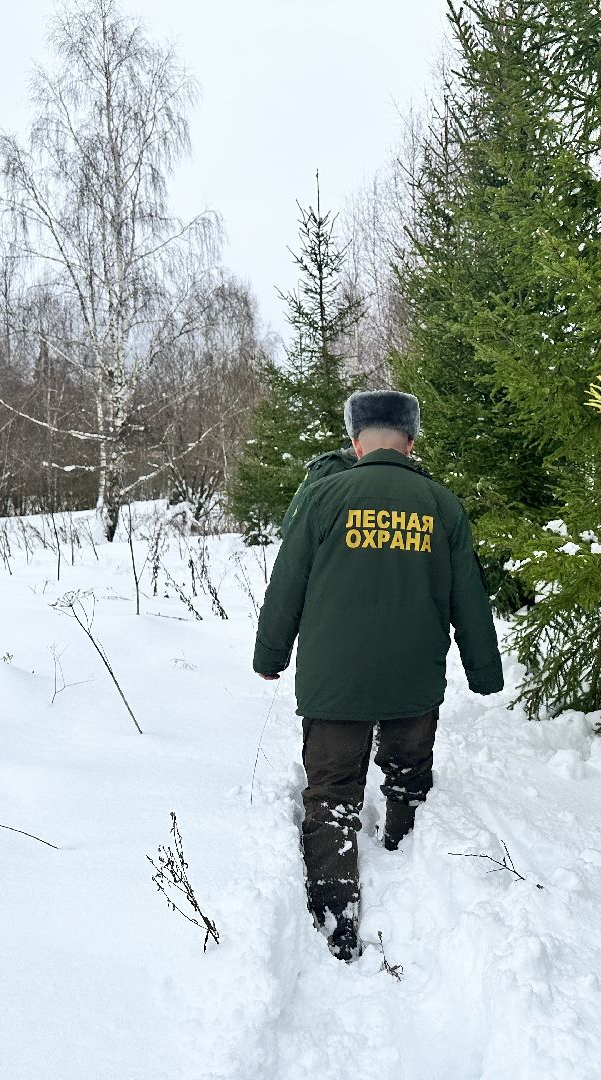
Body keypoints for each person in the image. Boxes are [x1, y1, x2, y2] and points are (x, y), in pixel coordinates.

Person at [252, 389, 504, 962]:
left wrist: (270, 656)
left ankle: (336, 914)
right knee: (407, 775)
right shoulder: (442, 505)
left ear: (356, 442)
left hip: (333, 683)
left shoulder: (322, 499)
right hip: (413, 682)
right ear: (411, 441)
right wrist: (484, 672)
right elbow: (470, 598)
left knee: (333, 793)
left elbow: (285, 585)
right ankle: (405, 851)